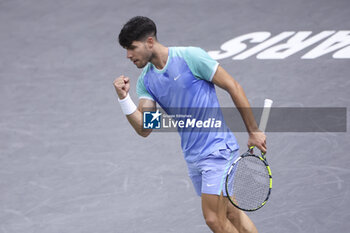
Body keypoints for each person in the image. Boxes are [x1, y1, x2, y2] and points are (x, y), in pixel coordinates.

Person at [114, 16, 266, 233]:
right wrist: (123, 99)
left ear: (149, 42)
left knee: (213, 219)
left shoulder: (190, 57)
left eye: (132, 48)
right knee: (231, 213)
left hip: (217, 150)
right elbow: (145, 128)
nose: (128, 55)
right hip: (194, 157)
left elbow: (233, 86)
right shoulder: (146, 81)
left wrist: (253, 130)